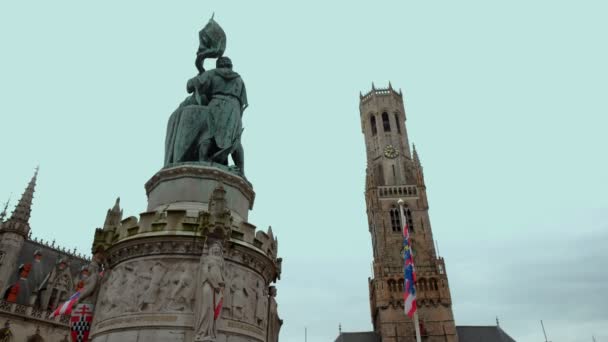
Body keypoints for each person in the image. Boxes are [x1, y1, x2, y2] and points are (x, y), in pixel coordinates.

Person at [194, 242, 225, 341]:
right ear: (210, 249)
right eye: (214, 247)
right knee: (207, 307)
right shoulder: (207, 259)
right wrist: (214, 284)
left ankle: (210, 332)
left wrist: (221, 284)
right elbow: (205, 272)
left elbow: (222, 275)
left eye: (218, 248)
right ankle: (202, 332)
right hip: (209, 285)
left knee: (214, 310)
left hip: (218, 288)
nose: (216, 249)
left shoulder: (221, 261)